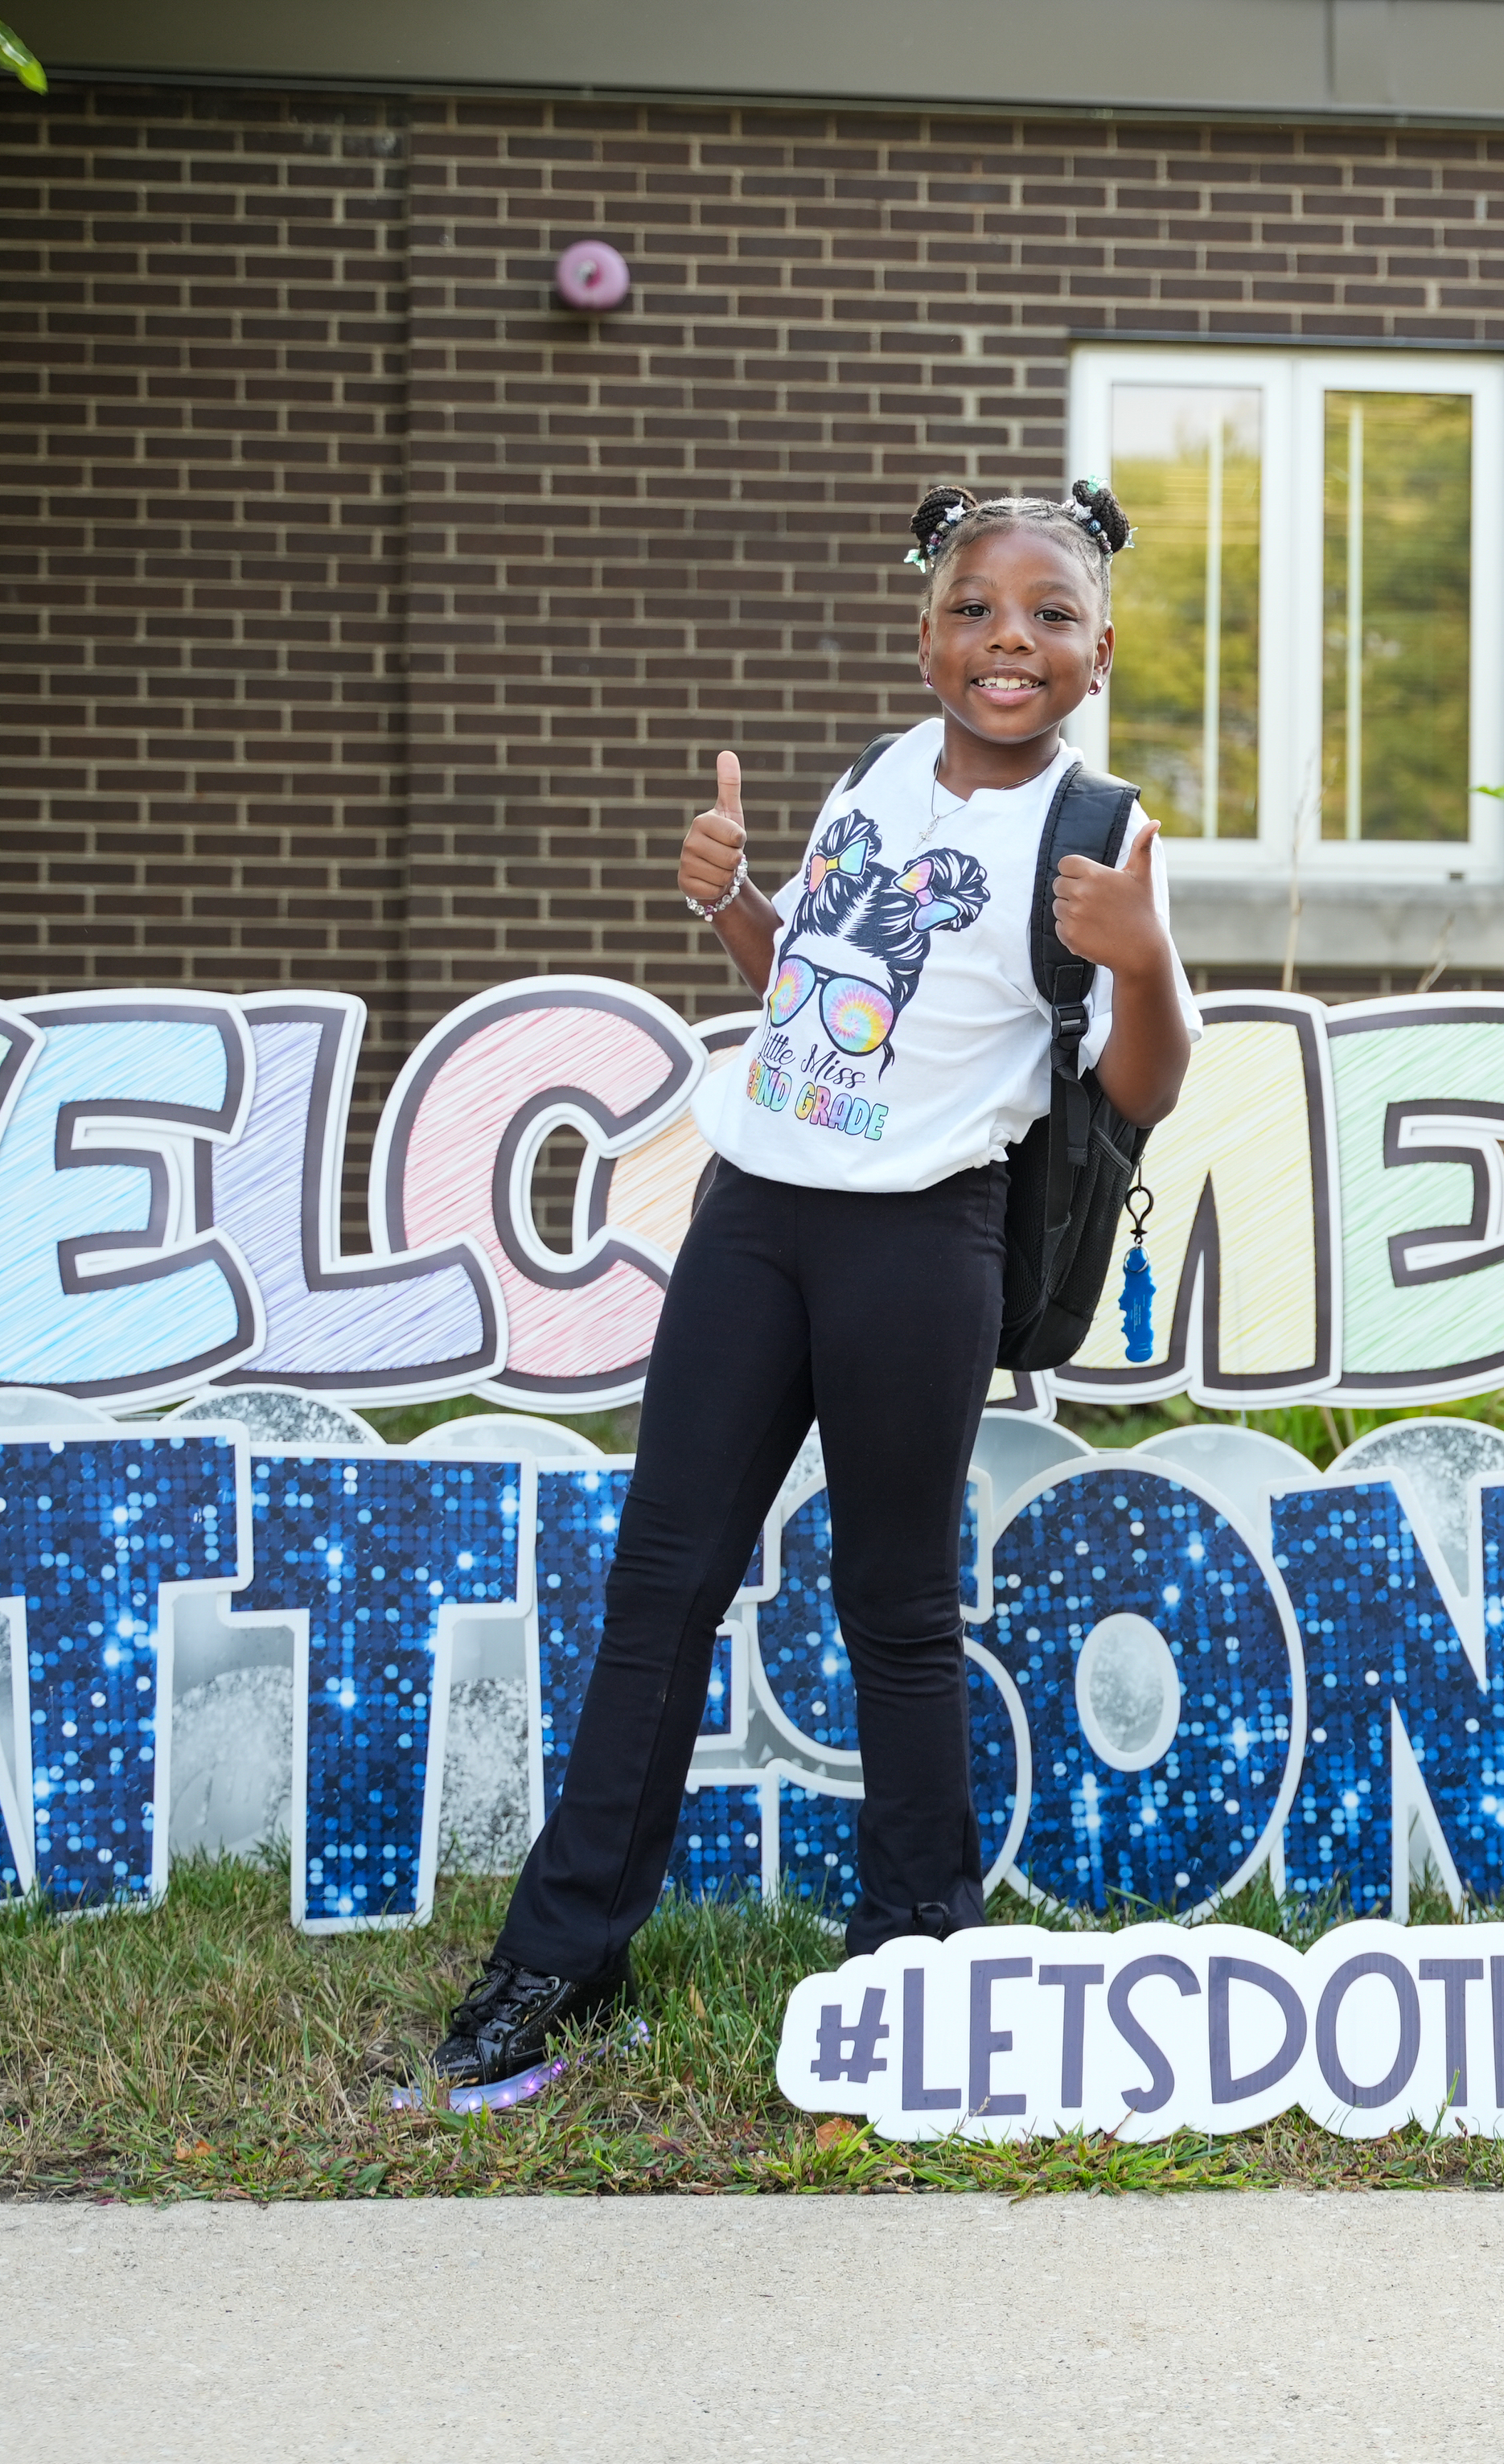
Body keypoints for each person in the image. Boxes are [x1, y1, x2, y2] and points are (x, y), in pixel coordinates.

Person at [431, 479, 1199, 2089]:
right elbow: (814, 990)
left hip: (924, 1238)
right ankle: (558, 1966)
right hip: (757, 1210)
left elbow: (1141, 1088)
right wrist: (733, 903)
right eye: (977, 610)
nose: (1011, 639)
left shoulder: (1099, 827)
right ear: (927, 639)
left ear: (1100, 649)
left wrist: (1141, 955)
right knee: (662, 1586)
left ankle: (920, 1962)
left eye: (1050, 615)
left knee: (895, 1609)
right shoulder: (869, 778)